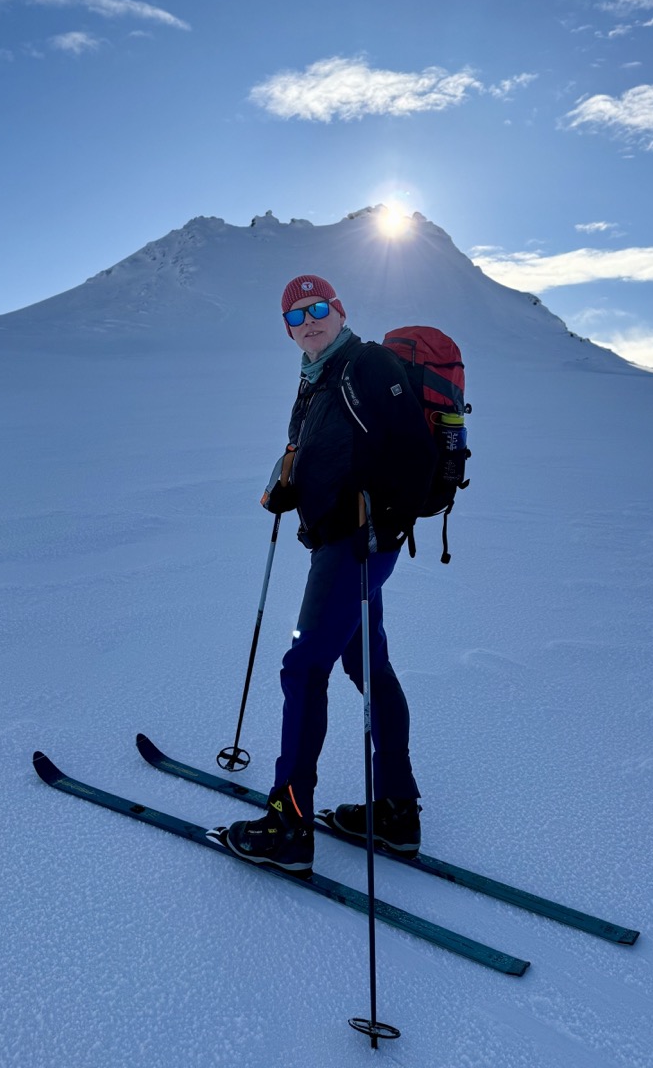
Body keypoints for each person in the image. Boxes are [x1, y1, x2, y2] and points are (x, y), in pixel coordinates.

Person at [224, 274, 437, 875]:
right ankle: (396, 812)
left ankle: (288, 825)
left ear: (340, 311)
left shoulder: (367, 365)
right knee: (364, 661)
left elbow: (416, 458)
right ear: (288, 329)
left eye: (318, 308)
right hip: (344, 544)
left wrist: (377, 524)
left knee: (304, 665)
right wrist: (293, 484)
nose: (309, 320)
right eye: (295, 314)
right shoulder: (316, 380)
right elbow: (329, 453)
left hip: (355, 546)